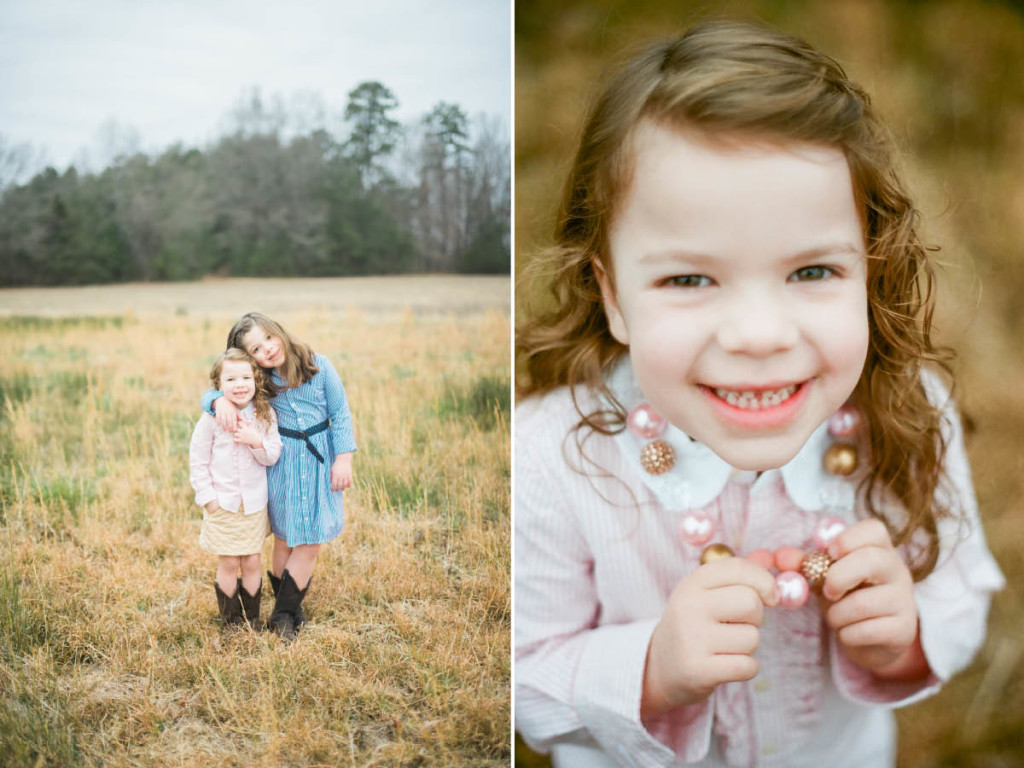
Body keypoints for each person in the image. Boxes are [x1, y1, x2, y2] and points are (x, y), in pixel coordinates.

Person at [514, 21, 1005, 768]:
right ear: (612, 296)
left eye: (811, 272)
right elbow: (519, 670)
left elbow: (963, 591)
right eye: (688, 279)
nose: (758, 334)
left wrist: (905, 637)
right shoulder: (553, 457)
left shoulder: (910, 408)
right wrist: (650, 668)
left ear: (869, 269)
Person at [202, 312, 355, 640]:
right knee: (285, 536)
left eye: (268, 339)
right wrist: (216, 401)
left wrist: (343, 459)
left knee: (310, 538)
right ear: (251, 359)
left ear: (279, 332)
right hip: (281, 461)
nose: (268, 350)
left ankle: (284, 612)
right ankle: (288, 604)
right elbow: (222, 385)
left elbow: (340, 413)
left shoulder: (320, 366)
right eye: (256, 349)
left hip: (318, 459)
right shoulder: (262, 382)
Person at [189, 348, 281, 630]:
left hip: (253, 504)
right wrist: (208, 500)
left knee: (252, 560)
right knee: (229, 561)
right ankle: (231, 622)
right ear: (218, 386)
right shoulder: (211, 420)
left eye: (245, 377)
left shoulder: (265, 415)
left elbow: (273, 455)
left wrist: (256, 441)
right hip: (224, 504)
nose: (239, 385)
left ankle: (252, 619)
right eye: (231, 379)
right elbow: (198, 460)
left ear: (255, 380)